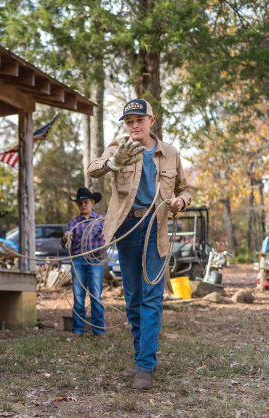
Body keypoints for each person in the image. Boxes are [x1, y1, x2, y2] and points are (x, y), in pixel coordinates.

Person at [87, 98, 191, 392]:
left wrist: (181, 200)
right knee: (132, 297)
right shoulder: (118, 146)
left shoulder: (170, 153)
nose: (134, 126)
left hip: (155, 227)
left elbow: (184, 188)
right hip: (127, 227)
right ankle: (139, 359)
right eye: (129, 121)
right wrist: (112, 163)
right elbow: (93, 168)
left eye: (139, 121)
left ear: (151, 121)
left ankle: (146, 367)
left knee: (151, 296)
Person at [60, 187, 106, 337]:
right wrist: (65, 238)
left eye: (86, 202)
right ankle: (77, 330)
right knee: (78, 297)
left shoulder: (101, 221)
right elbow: (64, 245)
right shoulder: (73, 223)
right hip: (78, 261)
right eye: (80, 203)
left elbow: (109, 238)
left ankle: (98, 331)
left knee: (96, 296)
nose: (83, 205)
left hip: (95, 260)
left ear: (92, 202)